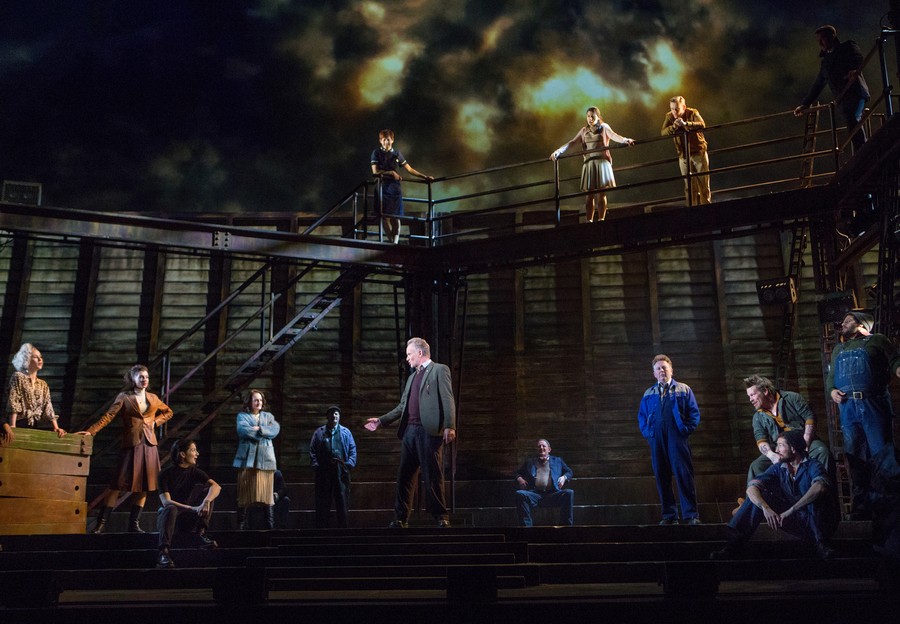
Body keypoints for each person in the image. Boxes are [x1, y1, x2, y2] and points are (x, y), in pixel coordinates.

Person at [365, 337, 456, 528]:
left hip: (429, 431)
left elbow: (447, 399)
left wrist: (450, 425)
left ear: (420, 353)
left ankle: (441, 516)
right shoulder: (411, 377)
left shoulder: (440, 370)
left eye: (409, 354)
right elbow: (402, 406)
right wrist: (381, 421)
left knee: (432, 475)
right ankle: (401, 518)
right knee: (404, 476)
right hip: (410, 432)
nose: (407, 358)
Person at [710, 430, 836, 560]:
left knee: (815, 497)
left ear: (793, 448)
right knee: (761, 497)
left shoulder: (813, 465)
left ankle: (822, 545)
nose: (776, 450)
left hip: (817, 522)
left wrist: (791, 510)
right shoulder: (779, 467)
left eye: (781, 445)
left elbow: (820, 487)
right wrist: (766, 508)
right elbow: (751, 488)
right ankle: (733, 546)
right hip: (796, 521)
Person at [77, 364, 173, 533]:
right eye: (141, 377)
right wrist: (91, 431)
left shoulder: (153, 397)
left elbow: (168, 412)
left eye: (146, 377)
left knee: (145, 485)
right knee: (117, 484)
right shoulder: (125, 397)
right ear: (133, 379)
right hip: (131, 443)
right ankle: (101, 524)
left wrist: (155, 422)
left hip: (149, 444)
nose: (144, 379)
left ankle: (134, 524)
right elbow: (109, 416)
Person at [826, 310, 900, 519]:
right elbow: (831, 378)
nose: (843, 323)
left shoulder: (877, 340)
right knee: (855, 457)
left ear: (861, 324)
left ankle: (890, 506)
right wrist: (832, 391)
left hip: (873, 404)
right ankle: (862, 506)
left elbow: (894, 360)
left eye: (848, 320)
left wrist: (898, 369)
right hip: (848, 408)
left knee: (883, 455)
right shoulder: (838, 349)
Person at [637, 354, 701, 525]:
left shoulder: (683, 389)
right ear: (654, 373)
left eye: (664, 367)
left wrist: (685, 430)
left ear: (671, 370)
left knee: (683, 474)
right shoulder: (648, 393)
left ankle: (691, 515)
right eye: (658, 368)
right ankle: (670, 516)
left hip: (677, 437)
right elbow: (642, 416)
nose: (661, 371)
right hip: (657, 439)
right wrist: (648, 434)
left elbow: (694, 413)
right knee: (661, 476)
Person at [550, 106, 635, 222]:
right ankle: (589, 220)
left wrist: (626, 140)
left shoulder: (604, 127)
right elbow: (572, 142)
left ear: (598, 117)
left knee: (601, 193)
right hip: (589, 164)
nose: (590, 119)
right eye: (588, 116)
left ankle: (601, 219)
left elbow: (614, 135)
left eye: (592, 116)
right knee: (589, 194)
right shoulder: (584, 131)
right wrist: (558, 151)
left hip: (601, 163)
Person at [794, 25, 870, 152]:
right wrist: (805, 104)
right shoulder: (825, 62)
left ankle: (864, 152)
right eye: (818, 40)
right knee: (852, 123)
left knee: (853, 120)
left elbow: (858, 58)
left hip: (856, 93)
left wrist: (854, 70)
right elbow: (818, 84)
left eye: (822, 39)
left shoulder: (847, 46)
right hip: (843, 99)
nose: (820, 43)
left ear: (832, 36)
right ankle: (862, 151)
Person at [744, 374, 831, 481]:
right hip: (779, 448)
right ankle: (758, 493)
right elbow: (761, 440)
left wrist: (806, 440)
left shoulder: (792, 398)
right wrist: (772, 456)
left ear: (765, 391)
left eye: (752, 395)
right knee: (756, 466)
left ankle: (822, 487)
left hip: (802, 440)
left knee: (822, 451)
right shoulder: (758, 417)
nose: (750, 399)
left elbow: (809, 416)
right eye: (749, 396)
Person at [156, 438, 221, 569]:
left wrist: (206, 501)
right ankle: (164, 553)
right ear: (182, 454)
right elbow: (166, 502)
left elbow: (216, 486)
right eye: (193, 450)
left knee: (209, 495)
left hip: (187, 519)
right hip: (169, 519)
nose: (197, 454)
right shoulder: (165, 474)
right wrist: (192, 508)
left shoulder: (194, 471)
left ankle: (201, 534)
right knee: (171, 508)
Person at [370, 129, 433, 244]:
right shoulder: (376, 153)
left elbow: (410, 169)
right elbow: (375, 172)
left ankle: (395, 243)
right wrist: (390, 173)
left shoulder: (396, 154)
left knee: (396, 217)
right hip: (382, 187)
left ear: (392, 140)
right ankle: (391, 243)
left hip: (395, 189)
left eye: (388, 139)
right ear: (380, 141)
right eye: (383, 140)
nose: (386, 142)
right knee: (384, 217)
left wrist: (425, 177)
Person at [233, 389, 281, 530]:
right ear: (250, 402)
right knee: (244, 496)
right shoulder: (242, 416)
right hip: (247, 461)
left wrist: (259, 429)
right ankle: (240, 528)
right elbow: (243, 431)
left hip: (265, 460)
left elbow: (275, 429)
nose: (258, 402)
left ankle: (269, 528)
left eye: (260, 400)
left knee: (267, 496)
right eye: (255, 400)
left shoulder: (268, 416)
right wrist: (264, 431)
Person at [2, 343, 66, 445]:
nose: (40, 360)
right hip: (18, 423)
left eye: (41, 357)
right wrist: (13, 425)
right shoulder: (18, 377)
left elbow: (48, 406)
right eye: (36, 357)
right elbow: (14, 400)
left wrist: (56, 427)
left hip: (33, 425)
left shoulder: (43, 384)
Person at [309, 405, 357, 528]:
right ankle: (322, 531)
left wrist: (349, 464)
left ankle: (343, 530)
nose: (334, 416)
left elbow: (352, 449)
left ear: (339, 416)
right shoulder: (319, 432)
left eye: (336, 414)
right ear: (327, 417)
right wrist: (316, 466)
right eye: (331, 414)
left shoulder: (346, 432)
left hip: (341, 471)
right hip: (324, 471)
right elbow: (312, 450)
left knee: (342, 501)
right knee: (323, 502)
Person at [660, 96, 711, 205]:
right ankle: (691, 210)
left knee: (703, 185)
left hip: (698, 153)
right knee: (689, 187)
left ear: (684, 107)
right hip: (683, 155)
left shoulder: (692, 113)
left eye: (677, 109)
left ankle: (706, 208)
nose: (674, 111)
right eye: (672, 109)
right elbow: (663, 132)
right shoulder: (669, 116)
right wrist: (673, 127)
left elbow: (702, 124)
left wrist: (686, 124)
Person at [514, 439, 575, 527]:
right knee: (520, 494)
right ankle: (526, 527)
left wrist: (564, 477)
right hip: (535, 495)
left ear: (549, 449)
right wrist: (520, 479)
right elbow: (517, 473)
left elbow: (569, 472)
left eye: (543, 446)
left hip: (553, 494)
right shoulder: (530, 462)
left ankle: (565, 527)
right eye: (539, 446)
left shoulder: (557, 460)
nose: (541, 448)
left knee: (569, 493)